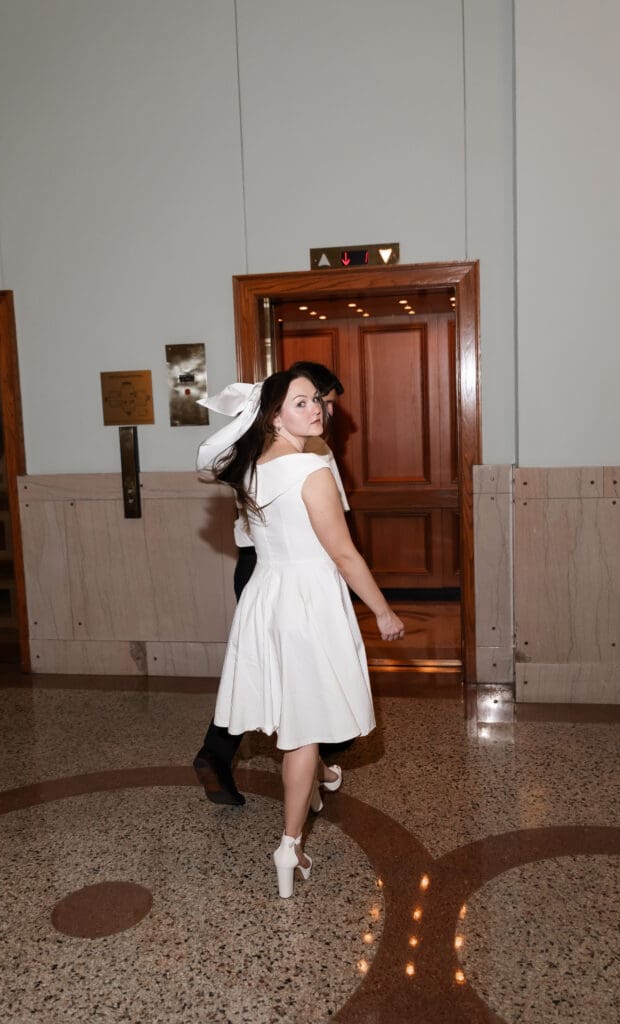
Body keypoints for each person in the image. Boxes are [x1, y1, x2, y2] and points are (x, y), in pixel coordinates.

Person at [199, 368, 404, 897]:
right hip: (308, 600)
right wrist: (382, 610)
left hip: (266, 595)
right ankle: (289, 845)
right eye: (300, 402)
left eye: (315, 400)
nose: (315, 408)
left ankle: (309, 800)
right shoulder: (311, 468)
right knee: (306, 728)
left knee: (293, 718)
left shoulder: (248, 468)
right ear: (273, 414)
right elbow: (342, 553)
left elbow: (248, 537)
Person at [193, 362, 348, 807]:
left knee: (262, 666)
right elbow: (333, 529)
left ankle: (225, 754)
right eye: (324, 401)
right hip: (299, 571)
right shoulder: (310, 452)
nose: (328, 412)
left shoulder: (255, 448)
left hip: (256, 567)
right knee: (299, 677)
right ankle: (309, 763)